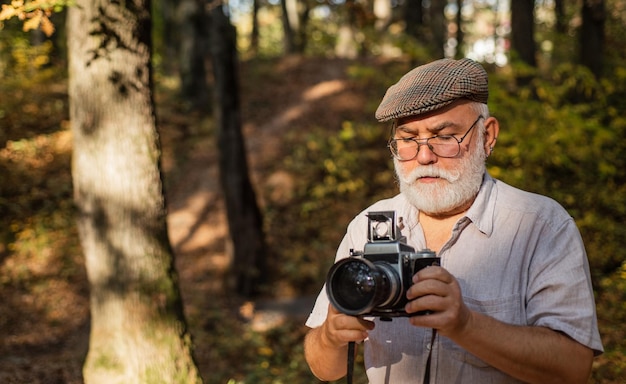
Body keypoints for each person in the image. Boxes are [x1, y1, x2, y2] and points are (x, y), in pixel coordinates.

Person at [303, 58, 603, 383]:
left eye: (444, 136)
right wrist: (330, 337)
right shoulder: (367, 226)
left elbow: (573, 369)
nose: (423, 156)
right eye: (407, 139)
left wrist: (466, 325)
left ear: (488, 137)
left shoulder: (541, 226)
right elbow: (325, 369)